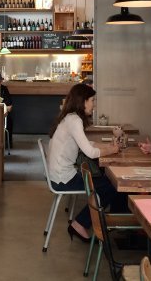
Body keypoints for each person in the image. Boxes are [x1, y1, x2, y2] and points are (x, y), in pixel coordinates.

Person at [47, 83, 127, 242]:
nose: (94, 104)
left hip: (58, 174)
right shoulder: (74, 120)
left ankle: (116, 224)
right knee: (111, 186)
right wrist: (111, 150)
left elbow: (86, 144)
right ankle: (81, 224)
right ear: (83, 101)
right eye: (92, 100)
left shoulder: (70, 118)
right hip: (63, 179)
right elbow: (90, 153)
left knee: (106, 183)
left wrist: (107, 147)